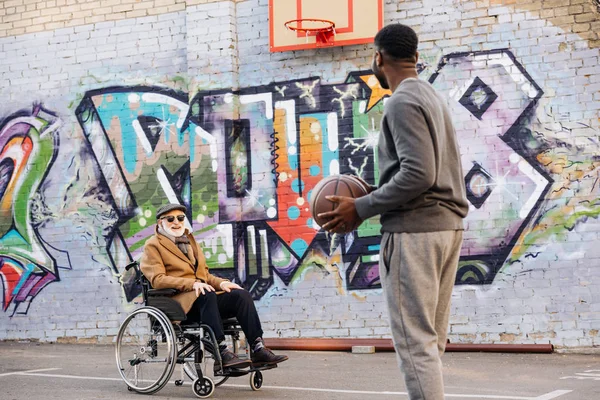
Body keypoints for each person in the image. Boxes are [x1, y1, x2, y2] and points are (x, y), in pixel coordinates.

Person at [319, 23, 468, 400]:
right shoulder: (431, 96)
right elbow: (426, 171)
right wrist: (376, 190)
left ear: (378, 57)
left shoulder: (401, 101)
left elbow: (420, 173)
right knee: (430, 341)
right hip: (446, 229)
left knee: (415, 343)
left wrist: (363, 207)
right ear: (416, 57)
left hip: (415, 233)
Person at [140, 203, 288, 369]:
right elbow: (158, 279)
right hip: (180, 304)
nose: (177, 222)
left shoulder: (189, 241)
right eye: (171, 219)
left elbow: (205, 275)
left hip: (203, 299)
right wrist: (192, 283)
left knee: (240, 294)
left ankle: (258, 348)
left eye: (180, 218)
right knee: (207, 293)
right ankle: (222, 352)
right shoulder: (153, 245)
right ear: (160, 223)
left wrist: (222, 283)